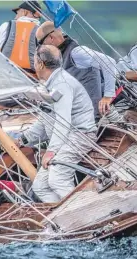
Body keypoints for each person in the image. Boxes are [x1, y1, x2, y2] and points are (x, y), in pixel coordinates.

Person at [17, 45, 97, 203]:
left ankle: (81, 212)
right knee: (40, 186)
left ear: (40, 64)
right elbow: (45, 119)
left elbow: (63, 121)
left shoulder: (61, 85)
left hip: (80, 135)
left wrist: (51, 151)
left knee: (57, 179)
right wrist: (23, 140)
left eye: (34, 60)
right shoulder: (50, 84)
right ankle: (63, 216)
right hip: (66, 137)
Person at [36, 21, 117, 116]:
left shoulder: (77, 52)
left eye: (41, 42)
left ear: (51, 38)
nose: (41, 46)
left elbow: (109, 62)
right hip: (72, 114)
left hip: (87, 117)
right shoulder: (59, 55)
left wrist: (108, 96)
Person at [0, 1, 42, 74]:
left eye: (17, 13)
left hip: (7, 74)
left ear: (25, 12)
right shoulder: (42, 31)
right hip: (32, 78)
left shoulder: (6, 25)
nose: (15, 16)